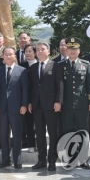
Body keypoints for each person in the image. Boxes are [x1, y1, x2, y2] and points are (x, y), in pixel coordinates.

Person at [29, 42, 63, 172]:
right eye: (38, 50)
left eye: (43, 49)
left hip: (51, 105)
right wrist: (30, 102)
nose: (40, 51)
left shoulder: (55, 66)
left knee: (53, 134)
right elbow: (31, 87)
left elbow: (59, 85)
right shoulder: (32, 68)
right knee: (40, 134)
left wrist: (58, 101)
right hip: (37, 106)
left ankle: (52, 161)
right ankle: (41, 160)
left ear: (48, 51)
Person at [0, 46, 28, 169]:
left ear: (15, 56)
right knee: (3, 135)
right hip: (2, 108)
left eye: (10, 54)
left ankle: (17, 160)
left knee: (17, 135)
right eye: (6, 54)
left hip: (17, 108)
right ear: (3, 56)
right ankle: (5, 160)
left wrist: (24, 105)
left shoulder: (22, 71)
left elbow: (25, 89)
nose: (8, 56)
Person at [60, 37, 90, 169]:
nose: (72, 51)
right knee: (68, 132)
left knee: (83, 131)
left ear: (79, 50)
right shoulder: (60, 66)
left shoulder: (86, 65)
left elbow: (89, 85)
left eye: (75, 49)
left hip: (82, 104)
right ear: (66, 50)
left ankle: (83, 159)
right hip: (66, 105)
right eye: (70, 49)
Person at [19, 43, 37, 153]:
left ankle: (40, 144)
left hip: (39, 98)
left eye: (30, 51)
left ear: (35, 53)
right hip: (26, 98)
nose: (28, 53)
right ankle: (31, 144)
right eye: (26, 51)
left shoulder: (40, 64)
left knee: (39, 124)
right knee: (28, 123)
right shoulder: (21, 66)